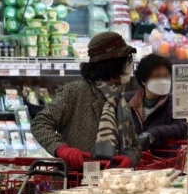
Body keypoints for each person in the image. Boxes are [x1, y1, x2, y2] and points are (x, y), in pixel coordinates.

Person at [32, 32, 140, 169]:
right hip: (75, 181)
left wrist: (130, 159)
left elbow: (135, 145)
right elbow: (40, 123)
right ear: (114, 64)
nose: (130, 66)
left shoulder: (119, 99)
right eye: (127, 60)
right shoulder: (75, 91)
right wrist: (62, 149)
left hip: (113, 183)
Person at [125, 54, 187, 152]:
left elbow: (183, 128)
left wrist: (154, 134)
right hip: (130, 161)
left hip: (163, 162)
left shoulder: (175, 102)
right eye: (157, 76)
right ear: (143, 80)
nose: (163, 80)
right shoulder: (125, 101)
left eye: (166, 76)